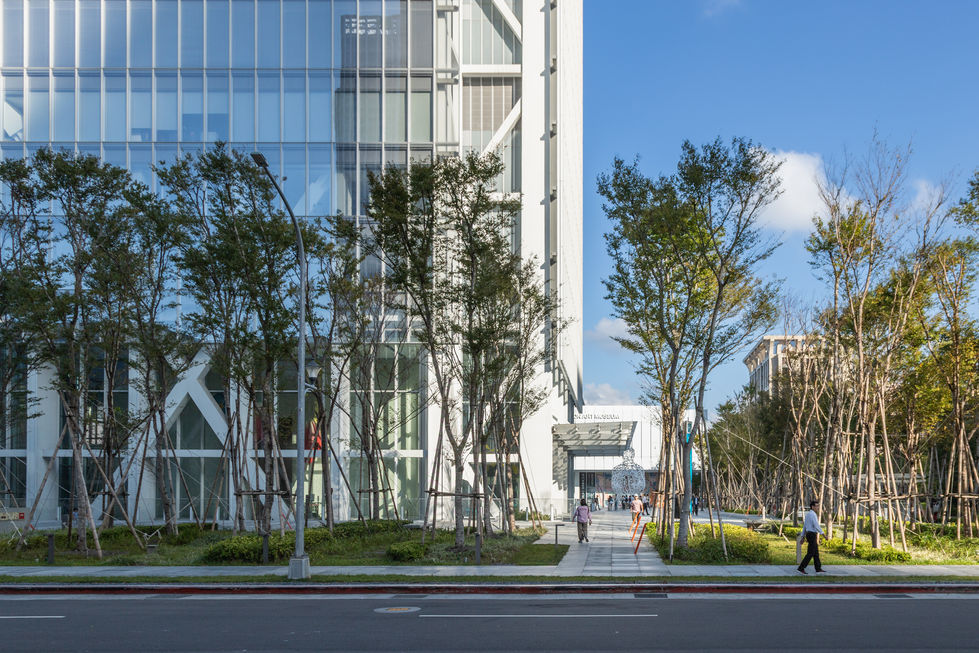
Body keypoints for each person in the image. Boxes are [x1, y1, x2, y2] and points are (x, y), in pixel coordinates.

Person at [798, 500, 826, 574]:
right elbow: (816, 526)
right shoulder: (813, 515)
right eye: (816, 506)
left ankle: (818, 568)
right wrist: (824, 535)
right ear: (812, 507)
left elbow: (804, 527)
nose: (817, 507)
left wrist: (802, 536)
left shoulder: (808, 515)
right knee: (810, 553)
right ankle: (801, 568)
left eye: (818, 506)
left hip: (809, 534)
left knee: (815, 553)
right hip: (812, 535)